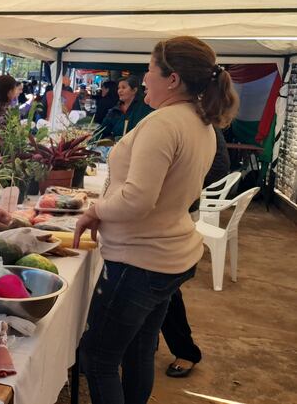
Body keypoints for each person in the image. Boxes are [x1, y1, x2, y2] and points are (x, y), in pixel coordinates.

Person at [73, 36, 239, 404]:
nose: (144, 79)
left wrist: (95, 211)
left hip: (139, 261)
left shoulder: (164, 124)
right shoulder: (201, 122)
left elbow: (137, 199)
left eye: (149, 71)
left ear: (173, 79)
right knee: (139, 351)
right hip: (170, 254)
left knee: (97, 358)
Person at [162, 126, 230, 378]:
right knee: (161, 287)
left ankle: (186, 351)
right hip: (164, 213)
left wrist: (180, 183)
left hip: (177, 212)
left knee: (165, 287)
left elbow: (220, 166)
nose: (146, 83)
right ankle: (156, 343)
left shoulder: (200, 121)